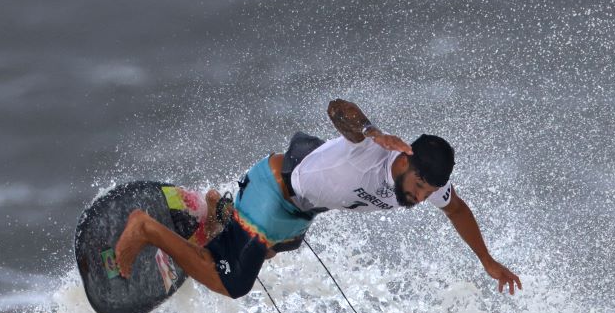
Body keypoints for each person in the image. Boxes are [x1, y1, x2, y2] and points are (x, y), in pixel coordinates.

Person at [114, 99, 522, 300]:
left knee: (280, 247)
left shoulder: (427, 184)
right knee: (234, 282)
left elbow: (457, 209)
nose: (419, 198)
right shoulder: (370, 149)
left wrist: (486, 260)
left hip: (301, 207)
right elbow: (338, 109)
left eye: (428, 193)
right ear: (405, 161)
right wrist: (370, 129)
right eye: (418, 187)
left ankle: (217, 212)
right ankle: (144, 228)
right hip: (276, 193)